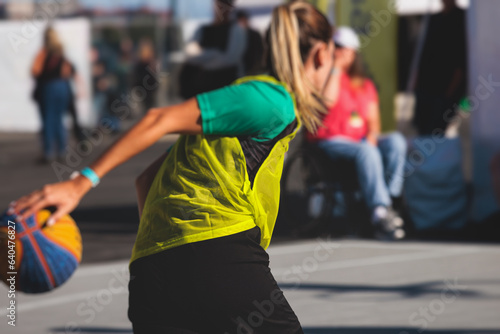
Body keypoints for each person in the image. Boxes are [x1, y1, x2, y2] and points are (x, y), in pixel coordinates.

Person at [12, 2, 334, 333]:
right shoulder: (271, 100)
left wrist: (169, 253)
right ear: (322, 54)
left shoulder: (229, 125)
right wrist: (80, 182)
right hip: (219, 257)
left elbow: (146, 180)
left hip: (151, 275)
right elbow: (158, 118)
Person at [307, 26, 407, 240]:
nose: (340, 53)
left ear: (353, 52)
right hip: (328, 141)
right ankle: (380, 210)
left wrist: (372, 136)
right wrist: (335, 68)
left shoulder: (365, 85)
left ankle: (390, 200)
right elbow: (326, 103)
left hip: (359, 141)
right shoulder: (322, 76)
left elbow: (374, 122)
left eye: (344, 49)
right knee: (366, 152)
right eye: (337, 48)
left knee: (396, 141)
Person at [414, 0, 467, 135]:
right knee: (423, 128)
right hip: (426, 86)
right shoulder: (433, 19)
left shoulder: (462, 18)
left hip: (446, 88)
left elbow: (461, 59)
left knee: (438, 128)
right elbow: (423, 53)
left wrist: (450, 93)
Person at [179, 0, 247, 99]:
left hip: (226, 90)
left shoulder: (236, 30)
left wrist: (204, 57)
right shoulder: (202, 30)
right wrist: (214, 55)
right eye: (219, 4)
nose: (221, 8)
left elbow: (230, 59)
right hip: (201, 90)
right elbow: (189, 53)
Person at [31, 26, 73, 163]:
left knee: (48, 120)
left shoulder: (43, 53)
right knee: (59, 119)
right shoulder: (60, 52)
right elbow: (67, 71)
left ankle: (48, 152)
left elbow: (35, 71)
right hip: (62, 87)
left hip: (48, 87)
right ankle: (61, 150)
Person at [236, 9, 265, 75]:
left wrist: (258, 65)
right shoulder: (236, 37)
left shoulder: (254, 34)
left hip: (254, 69)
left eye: (243, 20)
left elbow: (261, 50)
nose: (242, 23)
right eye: (240, 21)